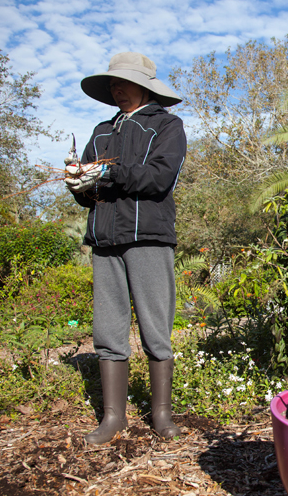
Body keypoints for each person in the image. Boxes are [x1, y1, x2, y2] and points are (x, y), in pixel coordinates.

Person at [65, 52, 187, 443]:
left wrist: (111, 173)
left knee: (156, 326)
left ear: (144, 86)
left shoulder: (167, 126)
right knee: (108, 328)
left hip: (148, 238)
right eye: (112, 84)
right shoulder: (101, 132)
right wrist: (79, 185)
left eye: (123, 83)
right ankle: (113, 418)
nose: (117, 89)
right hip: (105, 241)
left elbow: (159, 178)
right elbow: (90, 195)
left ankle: (162, 415)